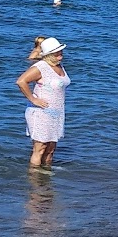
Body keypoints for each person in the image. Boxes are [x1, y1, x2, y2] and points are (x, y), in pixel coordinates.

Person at [17, 37, 71, 169]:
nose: (60, 54)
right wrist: (33, 99)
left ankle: (46, 176)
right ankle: (35, 181)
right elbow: (21, 81)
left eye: (61, 51)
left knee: (51, 149)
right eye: (57, 52)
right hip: (40, 112)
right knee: (40, 148)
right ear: (49, 54)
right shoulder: (41, 67)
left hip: (56, 113)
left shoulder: (59, 66)